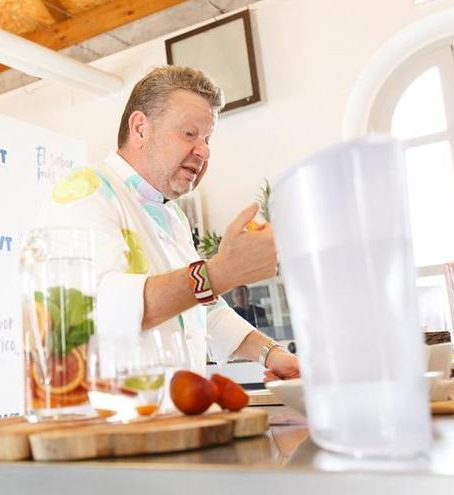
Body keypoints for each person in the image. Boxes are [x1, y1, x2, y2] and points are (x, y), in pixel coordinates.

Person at [37, 66, 299, 382]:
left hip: (172, 418)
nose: (203, 151)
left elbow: (204, 307)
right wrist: (220, 272)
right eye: (189, 134)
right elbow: (96, 311)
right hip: (114, 422)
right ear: (140, 129)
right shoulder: (85, 192)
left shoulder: (171, 215)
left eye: (207, 138)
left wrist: (272, 354)